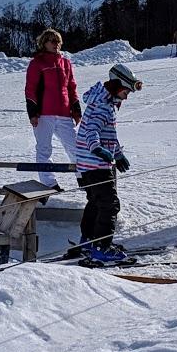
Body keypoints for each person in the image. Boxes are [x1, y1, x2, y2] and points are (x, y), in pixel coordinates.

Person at [72, 63, 141, 263]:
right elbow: (91, 131)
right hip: (96, 164)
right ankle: (101, 247)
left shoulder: (103, 102)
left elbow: (108, 135)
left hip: (88, 165)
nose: (127, 96)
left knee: (95, 203)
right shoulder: (102, 106)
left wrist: (117, 154)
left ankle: (88, 241)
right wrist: (96, 149)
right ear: (116, 85)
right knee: (110, 205)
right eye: (126, 91)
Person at [24, 29, 81, 189]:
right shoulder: (37, 63)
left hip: (64, 114)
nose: (55, 43)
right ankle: (49, 184)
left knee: (75, 148)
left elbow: (71, 87)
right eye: (50, 40)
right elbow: (31, 89)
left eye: (57, 40)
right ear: (44, 43)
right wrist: (33, 113)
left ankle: (84, 179)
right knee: (44, 150)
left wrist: (76, 109)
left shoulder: (66, 63)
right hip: (44, 115)